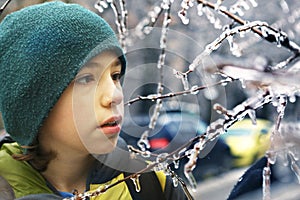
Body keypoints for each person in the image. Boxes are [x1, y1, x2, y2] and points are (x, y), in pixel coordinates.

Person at [0, 2, 187, 199]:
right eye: (85, 79)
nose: (114, 96)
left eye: (115, 76)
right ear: (32, 101)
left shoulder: (151, 183)